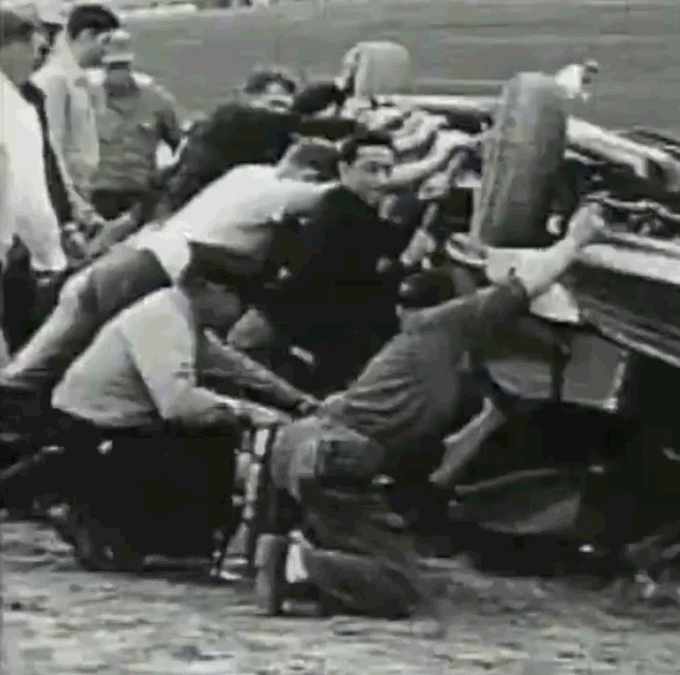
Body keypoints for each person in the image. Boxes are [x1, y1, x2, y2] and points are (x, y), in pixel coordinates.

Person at [258, 201, 606, 621]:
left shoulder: (415, 349)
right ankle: (297, 564)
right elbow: (520, 287)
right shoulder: (443, 325)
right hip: (337, 458)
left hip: (311, 448)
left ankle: (301, 564)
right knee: (400, 589)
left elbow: (437, 472)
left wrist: (491, 419)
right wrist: (575, 241)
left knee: (371, 553)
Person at [0, 139, 340, 416]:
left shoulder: (248, 174)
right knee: (77, 364)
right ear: (310, 176)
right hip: (150, 271)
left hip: (128, 257)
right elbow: (339, 196)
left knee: (37, 362)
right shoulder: (282, 192)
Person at [49, 258, 305, 568]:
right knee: (212, 433)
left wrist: (297, 401)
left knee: (215, 426)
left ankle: (144, 531)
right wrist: (250, 412)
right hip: (96, 430)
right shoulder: (164, 320)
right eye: (240, 300)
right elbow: (178, 404)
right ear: (213, 290)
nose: (240, 313)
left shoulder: (178, 314)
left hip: (114, 423)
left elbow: (234, 366)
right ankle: (107, 520)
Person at [232, 129, 474, 394]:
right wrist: (407, 262)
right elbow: (360, 289)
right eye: (371, 170)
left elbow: (386, 237)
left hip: (299, 326)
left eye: (387, 171)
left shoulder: (344, 206)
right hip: (297, 334)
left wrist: (422, 205)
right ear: (344, 169)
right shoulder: (340, 218)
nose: (381, 180)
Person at [164, 66, 362, 211]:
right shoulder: (230, 117)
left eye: (284, 106)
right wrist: (358, 126)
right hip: (193, 206)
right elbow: (293, 123)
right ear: (247, 98)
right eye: (273, 103)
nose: (278, 112)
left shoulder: (281, 139)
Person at [0, 4, 68, 367]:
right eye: (35, 51)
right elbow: (27, 195)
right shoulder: (12, 108)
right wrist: (49, 256)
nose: (37, 63)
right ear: (14, 46)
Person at [86, 29, 184, 222]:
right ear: (103, 68)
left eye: (122, 66)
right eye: (112, 67)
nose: (118, 73)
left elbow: (179, 144)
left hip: (141, 192)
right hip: (98, 193)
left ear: (131, 65)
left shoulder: (157, 100)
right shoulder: (86, 101)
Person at [30, 1, 114, 195]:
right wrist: (71, 203)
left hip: (83, 189)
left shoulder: (76, 79)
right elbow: (53, 146)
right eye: (105, 42)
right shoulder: (55, 79)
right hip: (69, 195)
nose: (107, 52)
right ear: (86, 35)